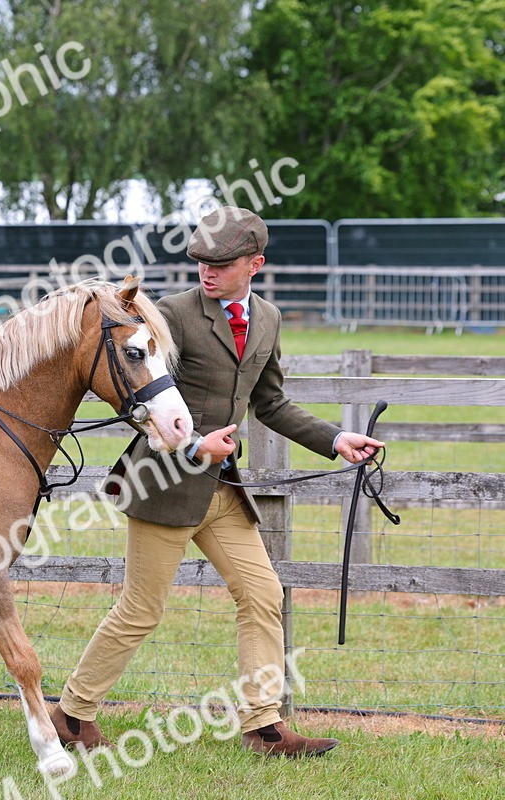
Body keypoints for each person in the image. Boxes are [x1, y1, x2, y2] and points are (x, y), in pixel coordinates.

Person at [51, 206, 385, 757]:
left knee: (262, 593)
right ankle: (71, 714)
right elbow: (138, 399)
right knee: (140, 611)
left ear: (255, 263)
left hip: (223, 492)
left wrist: (335, 441)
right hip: (166, 483)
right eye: (202, 261)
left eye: (222, 263)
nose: (207, 272)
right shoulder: (170, 315)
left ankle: (264, 726)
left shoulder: (269, 319)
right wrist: (192, 444)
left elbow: (271, 402)